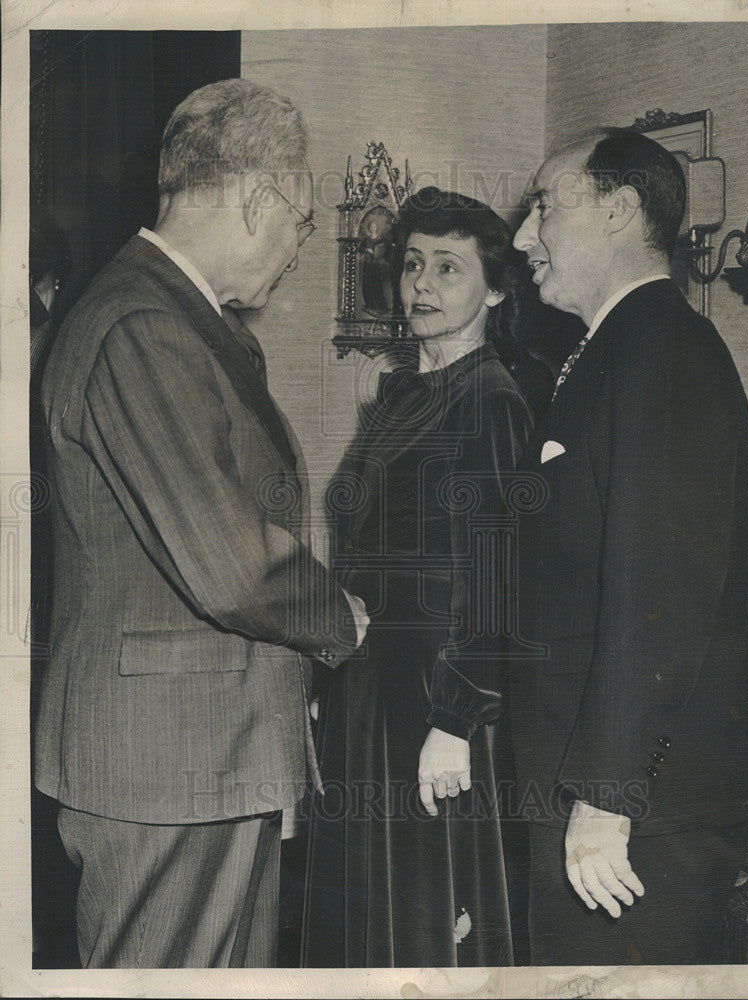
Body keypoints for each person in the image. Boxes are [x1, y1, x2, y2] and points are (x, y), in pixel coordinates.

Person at [34, 78, 369, 969]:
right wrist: (336, 613)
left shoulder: (181, 319)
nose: (301, 248)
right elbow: (228, 563)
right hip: (168, 766)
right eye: (302, 221)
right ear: (261, 196)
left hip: (201, 758)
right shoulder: (143, 323)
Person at [509, 127, 748, 964]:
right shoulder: (617, 350)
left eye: (544, 205)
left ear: (618, 210)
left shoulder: (660, 350)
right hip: (611, 805)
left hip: (637, 820)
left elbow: (661, 594)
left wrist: (605, 797)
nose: (523, 236)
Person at [302, 188, 537, 968]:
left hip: (435, 706)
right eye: (411, 265)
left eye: (447, 268)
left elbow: (500, 574)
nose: (421, 286)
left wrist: (458, 720)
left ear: (496, 290)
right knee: (364, 913)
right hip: (371, 694)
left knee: (425, 922)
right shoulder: (403, 391)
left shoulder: (492, 401)